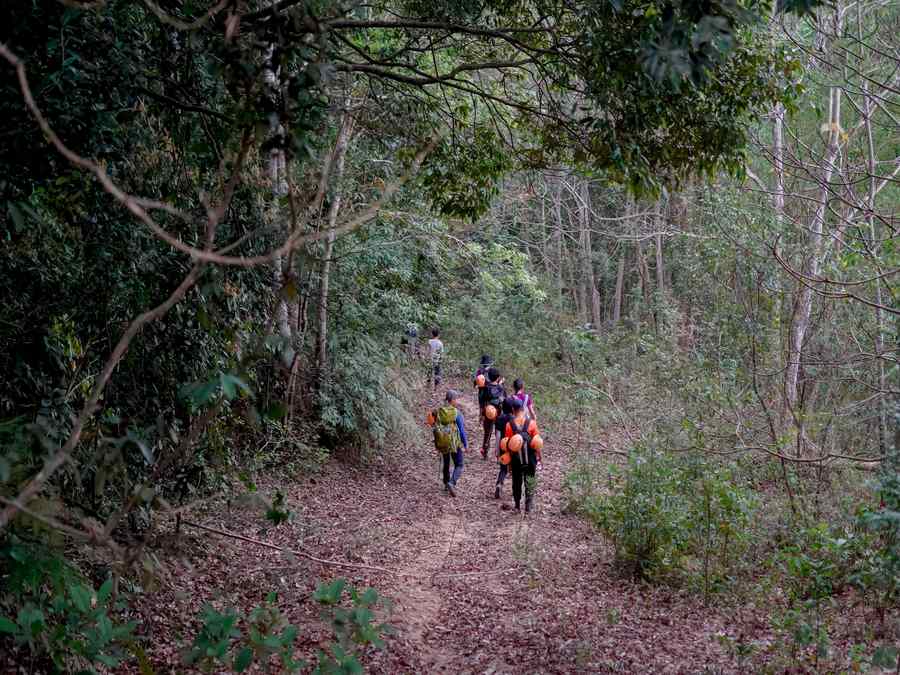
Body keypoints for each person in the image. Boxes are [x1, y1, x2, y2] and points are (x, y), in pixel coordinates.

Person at [504, 398, 541, 513]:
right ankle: (528, 506)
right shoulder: (532, 423)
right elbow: (537, 442)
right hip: (530, 458)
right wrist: (539, 457)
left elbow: (507, 446)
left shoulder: (509, 425)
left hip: (516, 459)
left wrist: (509, 464)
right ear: (523, 409)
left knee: (516, 481)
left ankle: (517, 506)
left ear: (513, 410)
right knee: (530, 479)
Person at [427, 389, 467, 496]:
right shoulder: (456, 413)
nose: (457, 401)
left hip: (443, 441)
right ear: (452, 400)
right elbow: (461, 430)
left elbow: (433, 424)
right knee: (459, 464)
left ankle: (446, 483)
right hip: (454, 442)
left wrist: (437, 441)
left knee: (446, 462)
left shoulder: (439, 411)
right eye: (456, 399)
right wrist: (465, 443)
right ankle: (452, 483)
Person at [478, 367, 505, 459]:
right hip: (499, 413)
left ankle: (485, 451)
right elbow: (504, 400)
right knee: (498, 434)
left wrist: (481, 414)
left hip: (487, 412)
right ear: (498, 377)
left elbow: (482, 402)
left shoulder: (485, 388)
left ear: (489, 377)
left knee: (487, 433)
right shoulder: (501, 388)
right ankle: (499, 454)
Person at [494, 398, 514, 499]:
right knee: (515, 469)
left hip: (503, 445)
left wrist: (497, 451)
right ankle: (515, 490)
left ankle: (499, 484)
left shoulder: (499, 419)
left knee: (503, 468)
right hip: (513, 446)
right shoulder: (514, 419)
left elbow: (498, 436)